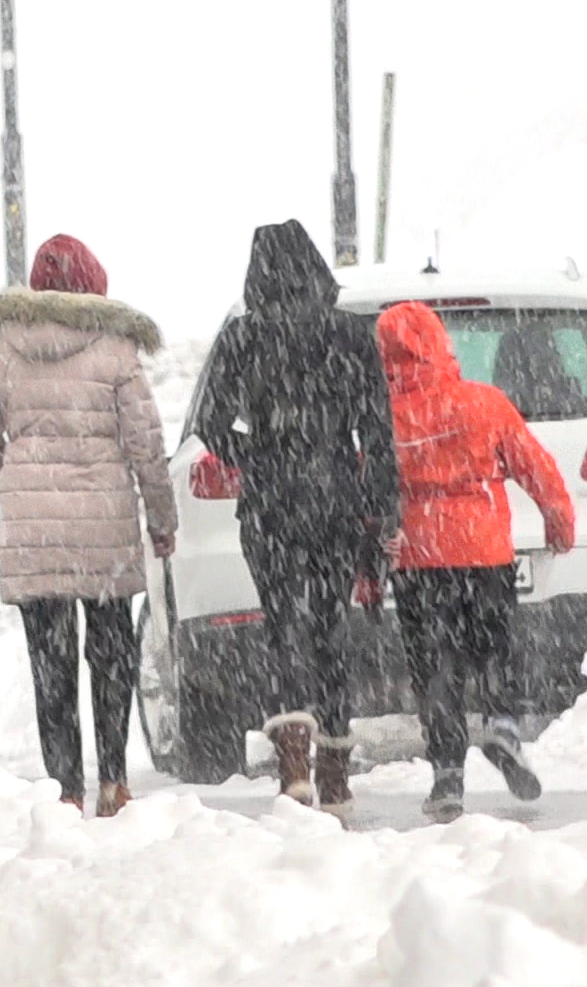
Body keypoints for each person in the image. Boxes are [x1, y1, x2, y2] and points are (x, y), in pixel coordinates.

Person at [0, 234, 178, 818]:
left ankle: (64, 787)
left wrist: (0, 474)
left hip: (34, 530)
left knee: (49, 663)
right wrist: (161, 518)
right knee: (111, 653)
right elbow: (146, 444)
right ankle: (113, 778)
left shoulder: (2, 348)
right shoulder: (115, 350)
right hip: (103, 528)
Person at [193, 220, 399, 816]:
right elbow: (377, 428)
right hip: (335, 497)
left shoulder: (242, 337)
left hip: (270, 504)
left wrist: (256, 454)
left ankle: (293, 770)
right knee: (332, 628)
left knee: (282, 625)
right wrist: (381, 503)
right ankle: (335, 772)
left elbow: (210, 425)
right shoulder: (348, 334)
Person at [375, 301, 576, 822]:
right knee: (494, 649)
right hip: (484, 550)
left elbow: (370, 490)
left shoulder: (385, 417)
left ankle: (447, 772)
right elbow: (535, 465)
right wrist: (558, 518)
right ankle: (504, 727)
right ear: (442, 345)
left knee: (434, 667)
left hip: (420, 559)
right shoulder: (484, 403)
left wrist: (368, 557)